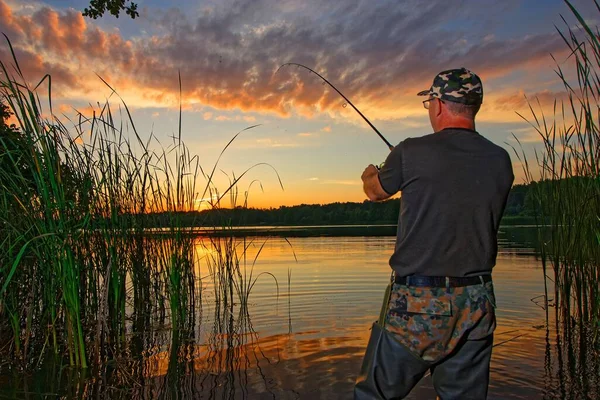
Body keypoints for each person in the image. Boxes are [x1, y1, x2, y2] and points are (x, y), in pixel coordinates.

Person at [354, 68, 514, 399]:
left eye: (429, 101)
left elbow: (375, 191)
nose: (429, 109)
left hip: (418, 303)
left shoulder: (410, 151)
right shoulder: (501, 160)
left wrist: (371, 172)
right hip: (478, 302)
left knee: (374, 395)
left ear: (438, 104)